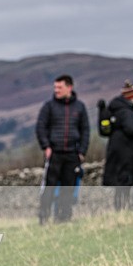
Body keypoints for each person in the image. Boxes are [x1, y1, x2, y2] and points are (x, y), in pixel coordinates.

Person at [36, 74, 90, 224]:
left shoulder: (79, 107)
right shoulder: (49, 107)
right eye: (55, 87)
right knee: (49, 188)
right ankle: (44, 217)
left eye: (60, 87)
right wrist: (46, 146)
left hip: (72, 154)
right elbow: (41, 127)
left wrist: (82, 152)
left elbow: (85, 130)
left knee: (68, 188)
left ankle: (64, 218)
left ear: (69, 87)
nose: (56, 90)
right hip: (54, 153)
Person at [102, 81, 133, 210]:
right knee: (125, 182)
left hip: (120, 153)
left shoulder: (119, 109)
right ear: (132, 97)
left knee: (123, 184)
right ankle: (124, 208)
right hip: (126, 154)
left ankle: (123, 209)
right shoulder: (126, 112)